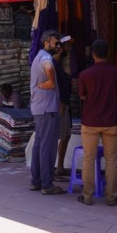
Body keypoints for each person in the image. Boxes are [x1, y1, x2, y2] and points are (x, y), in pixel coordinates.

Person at [78, 38, 117, 206]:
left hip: (90, 121)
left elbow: (82, 96)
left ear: (93, 54)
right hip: (111, 121)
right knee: (111, 160)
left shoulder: (85, 74)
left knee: (88, 159)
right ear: (108, 53)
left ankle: (87, 196)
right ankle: (111, 197)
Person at [29, 29, 64, 195]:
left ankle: (36, 181)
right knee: (47, 147)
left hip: (39, 108)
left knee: (39, 145)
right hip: (47, 109)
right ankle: (47, 185)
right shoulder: (45, 57)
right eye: (55, 43)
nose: (58, 46)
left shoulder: (39, 56)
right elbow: (48, 66)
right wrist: (51, 81)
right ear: (46, 43)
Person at [52, 36, 73, 181]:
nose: (69, 48)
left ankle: (59, 167)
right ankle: (52, 169)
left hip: (64, 104)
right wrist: (60, 102)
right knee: (56, 136)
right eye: (67, 45)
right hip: (59, 105)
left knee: (66, 135)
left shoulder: (61, 64)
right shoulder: (52, 64)